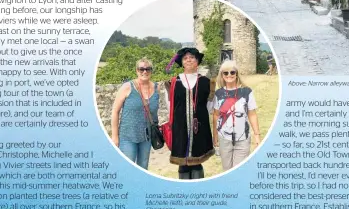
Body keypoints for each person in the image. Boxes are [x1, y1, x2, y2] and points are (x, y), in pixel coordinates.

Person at [165, 47, 215, 179]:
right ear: (181, 63)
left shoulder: (206, 82)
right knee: (183, 162)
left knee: (197, 162)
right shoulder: (173, 83)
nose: (188, 60)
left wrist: (198, 117)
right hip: (180, 128)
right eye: (185, 58)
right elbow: (170, 106)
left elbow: (209, 106)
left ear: (197, 61)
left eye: (192, 57)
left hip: (199, 128)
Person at [111, 58, 159, 169]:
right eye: (141, 69)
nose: (145, 72)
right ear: (137, 71)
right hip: (128, 136)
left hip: (146, 137)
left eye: (148, 69)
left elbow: (155, 112)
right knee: (128, 168)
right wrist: (115, 136)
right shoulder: (128, 87)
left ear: (151, 71)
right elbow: (115, 111)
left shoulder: (156, 88)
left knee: (143, 167)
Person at [212, 60, 261, 171]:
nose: (229, 75)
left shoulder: (246, 92)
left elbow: (252, 114)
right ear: (222, 75)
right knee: (227, 170)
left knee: (239, 171)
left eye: (232, 72)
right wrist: (215, 136)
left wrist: (257, 135)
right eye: (226, 73)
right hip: (224, 138)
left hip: (243, 138)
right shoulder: (218, 94)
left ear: (237, 73)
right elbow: (216, 116)